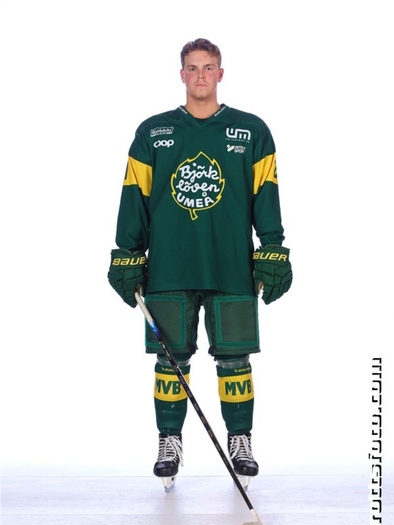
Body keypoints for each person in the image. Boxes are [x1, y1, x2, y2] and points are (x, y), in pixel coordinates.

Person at [108, 38, 292, 490]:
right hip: (168, 268)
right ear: (182, 75)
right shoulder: (153, 132)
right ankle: (168, 442)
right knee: (170, 359)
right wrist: (127, 252)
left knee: (235, 357)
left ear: (220, 73)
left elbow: (266, 194)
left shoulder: (251, 131)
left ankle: (241, 441)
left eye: (208, 67)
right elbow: (135, 197)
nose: (200, 76)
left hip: (231, 266)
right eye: (192, 68)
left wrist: (272, 247)